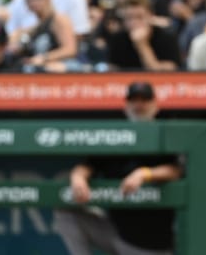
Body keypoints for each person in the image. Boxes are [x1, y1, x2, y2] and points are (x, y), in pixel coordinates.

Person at [55, 81, 183, 255]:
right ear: (126, 106)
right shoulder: (117, 136)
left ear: (155, 105)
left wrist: (144, 174)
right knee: (67, 213)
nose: (139, 105)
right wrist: (78, 177)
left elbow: (176, 170)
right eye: (133, 100)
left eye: (144, 100)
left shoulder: (165, 133)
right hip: (116, 233)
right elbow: (89, 165)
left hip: (151, 245)